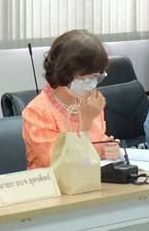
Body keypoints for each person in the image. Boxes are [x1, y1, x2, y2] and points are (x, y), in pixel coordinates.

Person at [21, 29, 123, 169]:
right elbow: (58, 163)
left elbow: (95, 144)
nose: (92, 84)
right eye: (87, 78)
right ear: (65, 72)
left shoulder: (90, 101)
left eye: (96, 77)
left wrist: (107, 148)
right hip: (52, 187)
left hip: (91, 181)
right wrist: (85, 122)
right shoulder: (37, 112)